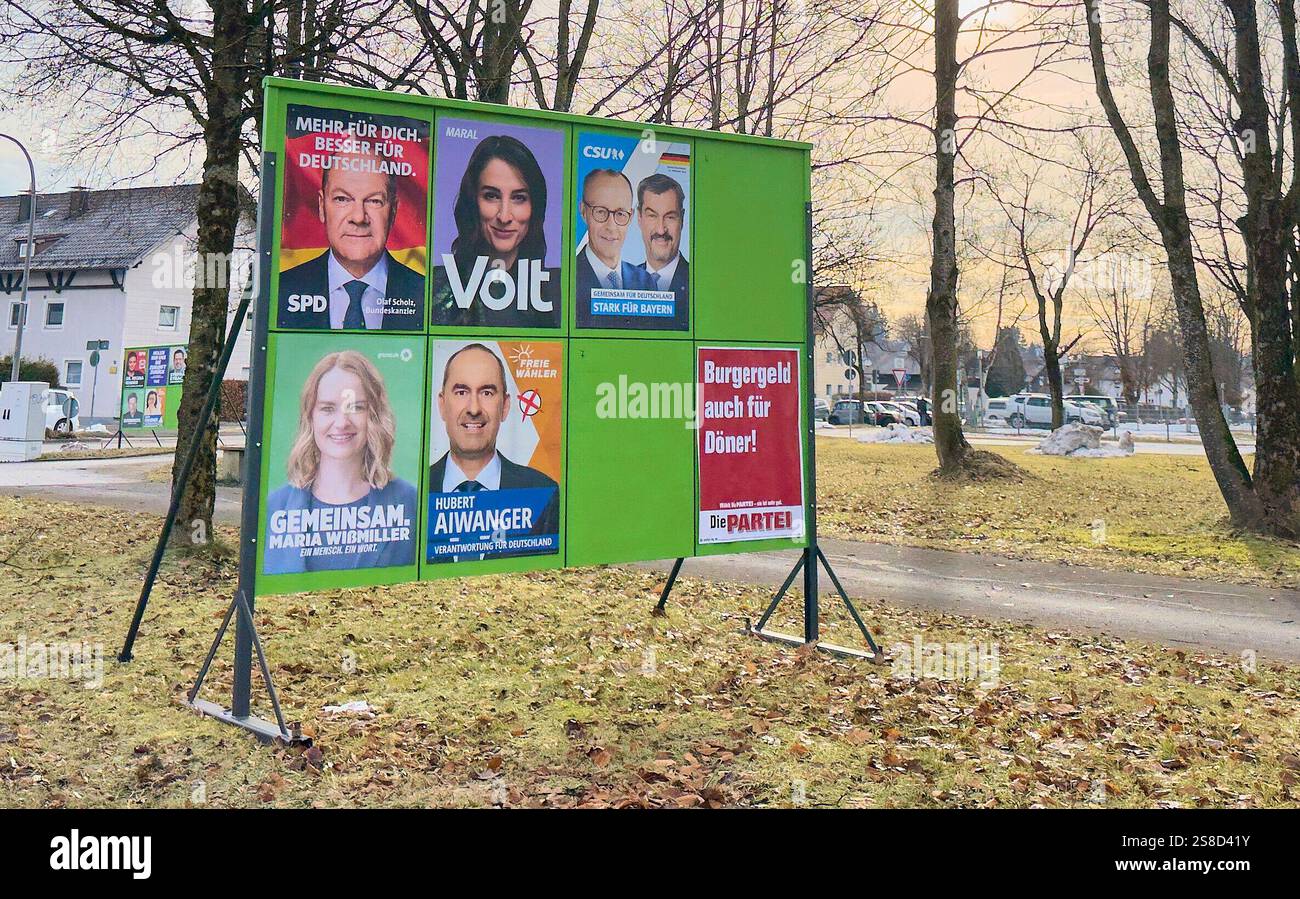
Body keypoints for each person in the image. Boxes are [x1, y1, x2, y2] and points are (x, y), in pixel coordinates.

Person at [263, 351, 418, 574]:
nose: (341, 423)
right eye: (327, 408)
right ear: (311, 416)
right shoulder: (274, 506)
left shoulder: (410, 502)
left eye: (356, 407)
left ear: (374, 415)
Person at [427, 343, 559, 562]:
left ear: (505, 406)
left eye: (487, 392)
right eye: (461, 392)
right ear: (442, 405)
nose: (474, 408)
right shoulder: (412, 494)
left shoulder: (544, 493)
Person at [278, 153, 425, 331]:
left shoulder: (425, 294)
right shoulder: (281, 290)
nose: (358, 217)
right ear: (322, 206)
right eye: (342, 199)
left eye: (374, 201)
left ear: (393, 211)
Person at [430, 134, 560, 328]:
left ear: (535, 206)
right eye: (491, 196)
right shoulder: (436, 287)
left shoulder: (559, 290)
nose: (504, 216)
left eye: (519, 198)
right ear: (473, 200)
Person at [575, 170, 654, 324]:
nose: (611, 226)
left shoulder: (646, 281)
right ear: (583, 211)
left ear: (630, 216)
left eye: (620, 214)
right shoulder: (565, 278)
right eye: (600, 212)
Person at [632, 172, 689, 330]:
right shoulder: (621, 283)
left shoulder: (699, 283)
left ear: (682, 219)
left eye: (670, 217)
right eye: (652, 216)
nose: (661, 229)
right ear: (639, 218)